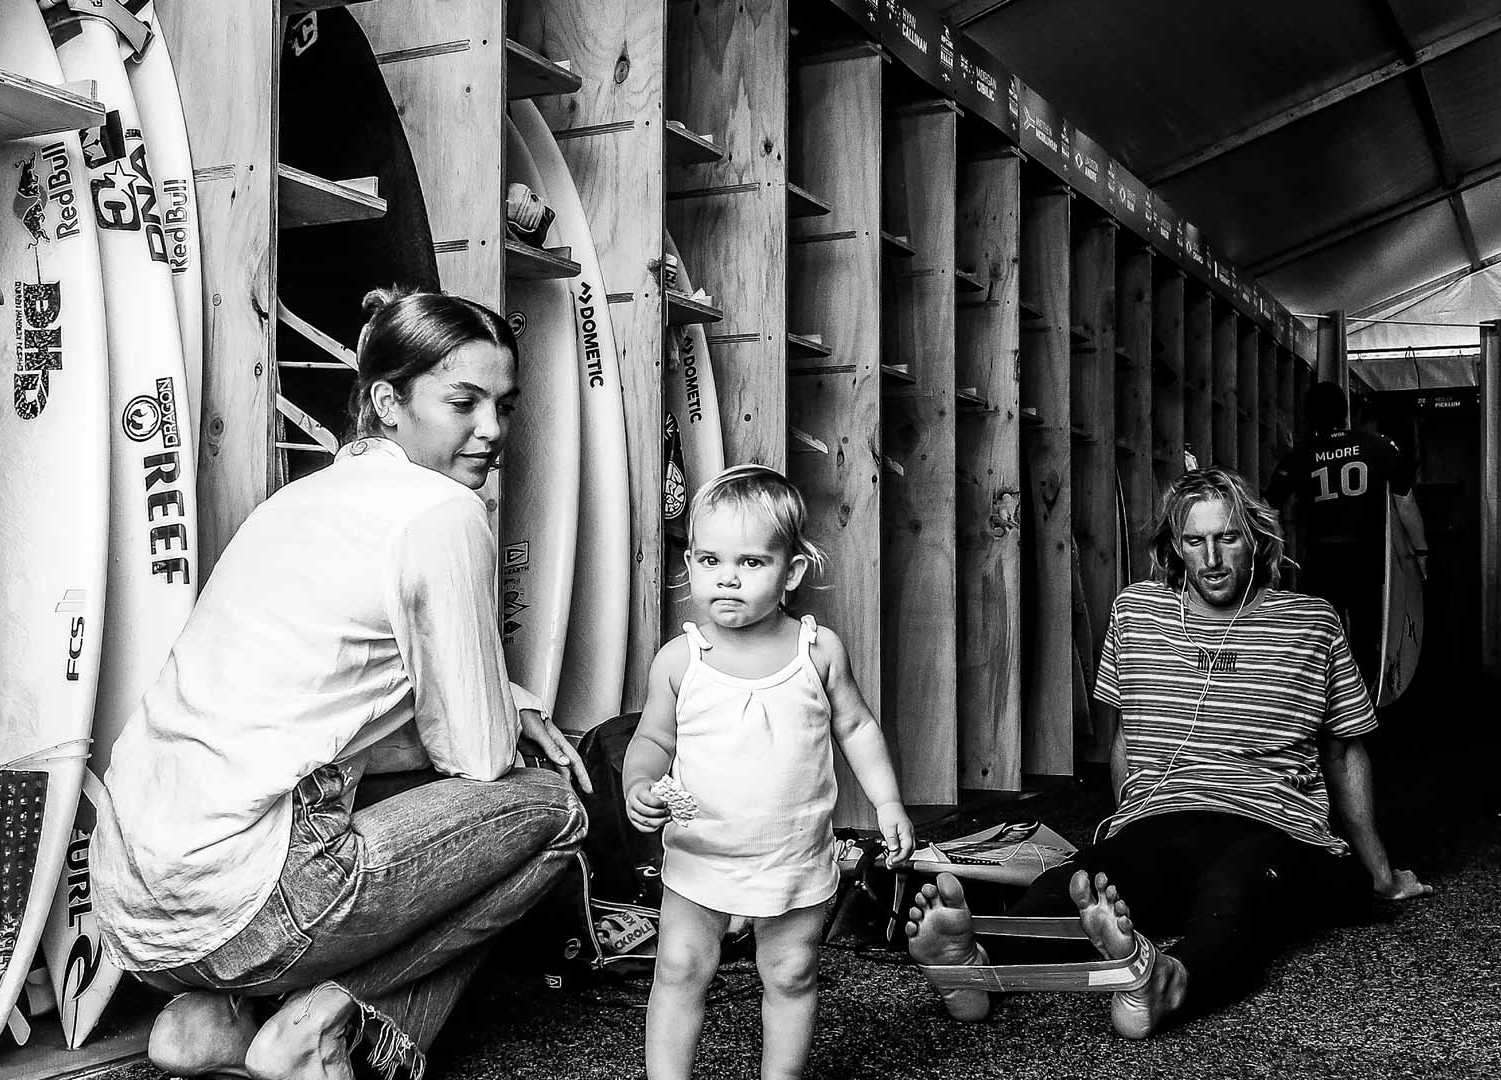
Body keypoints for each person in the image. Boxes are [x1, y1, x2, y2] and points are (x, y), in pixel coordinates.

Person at [89, 288, 592, 1080]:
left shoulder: (298, 500)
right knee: (553, 807)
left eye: (504, 405)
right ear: (388, 402)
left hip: (131, 905)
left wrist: (507, 698)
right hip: (256, 899)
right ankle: (329, 1018)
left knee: (389, 777)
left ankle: (213, 1020)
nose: (491, 430)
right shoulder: (442, 512)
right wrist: (503, 710)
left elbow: (326, 728)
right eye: (463, 402)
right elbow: (480, 758)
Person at [905, 467, 1432, 1040]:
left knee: (1237, 890)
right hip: (1164, 818)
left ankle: (1172, 980)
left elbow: (1344, 752)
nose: (1211, 559)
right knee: (1083, 879)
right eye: (1194, 541)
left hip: (1274, 830)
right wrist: (1125, 828)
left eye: (1227, 537)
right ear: (1173, 546)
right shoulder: (1135, 614)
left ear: (1255, 536)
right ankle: (978, 965)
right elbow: (1127, 736)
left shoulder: (1311, 621)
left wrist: (1380, 871)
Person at [621, 465, 916, 1080]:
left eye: (752, 563)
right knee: (678, 968)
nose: (726, 577)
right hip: (702, 853)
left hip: (794, 853)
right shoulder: (682, 660)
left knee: (790, 972)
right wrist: (638, 784)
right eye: (708, 560)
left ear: (793, 572)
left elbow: (856, 727)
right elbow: (651, 737)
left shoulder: (818, 650)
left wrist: (887, 802)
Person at [1264, 380, 1419, 670]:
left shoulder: (1301, 454)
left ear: (1310, 416)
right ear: (1346, 411)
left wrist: (1272, 553)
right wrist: (1420, 552)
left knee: (1323, 633)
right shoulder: (1378, 446)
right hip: (1366, 557)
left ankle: (1329, 694)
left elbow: (1269, 505)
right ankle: (1365, 695)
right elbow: (1405, 502)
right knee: (1367, 632)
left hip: (1322, 559)